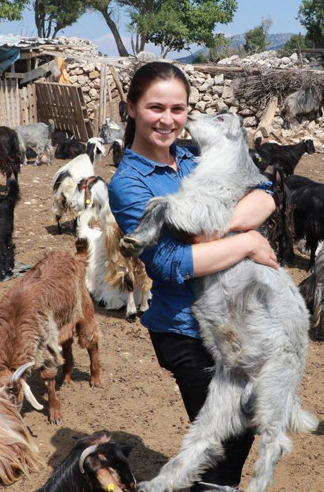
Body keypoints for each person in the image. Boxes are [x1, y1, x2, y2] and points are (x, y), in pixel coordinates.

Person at [107, 61, 278, 490]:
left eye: (178, 109)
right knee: (221, 445)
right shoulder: (129, 184)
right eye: (156, 107)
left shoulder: (194, 156)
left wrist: (215, 228)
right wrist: (247, 242)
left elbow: (265, 194)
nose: (168, 120)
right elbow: (171, 263)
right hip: (186, 329)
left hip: (234, 319)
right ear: (131, 107)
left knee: (241, 428)